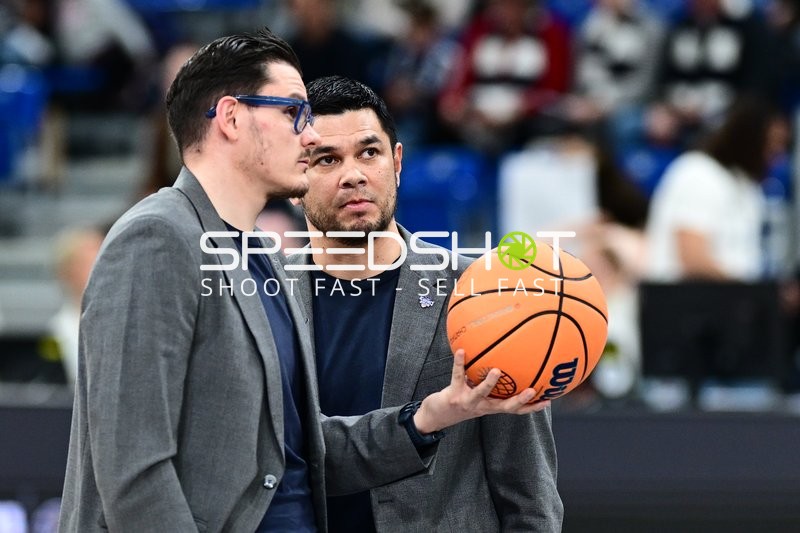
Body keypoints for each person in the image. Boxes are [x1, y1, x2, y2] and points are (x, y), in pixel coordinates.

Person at [58, 28, 547, 533]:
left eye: (368, 153)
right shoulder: (158, 237)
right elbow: (135, 472)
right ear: (230, 118)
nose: (309, 135)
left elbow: (302, 450)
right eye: (294, 112)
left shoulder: (259, 258)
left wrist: (431, 415)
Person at [288, 75, 563, 532]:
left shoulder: (483, 292)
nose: (353, 173)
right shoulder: (261, 297)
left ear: (397, 162)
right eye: (327, 159)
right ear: (295, 178)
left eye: (369, 152)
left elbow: (528, 492)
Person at [645, 95, 787, 281]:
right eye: (772, 145)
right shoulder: (699, 173)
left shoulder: (746, 186)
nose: (777, 156)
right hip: (686, 302)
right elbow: (693, 258)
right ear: (749, 141)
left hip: (729, 302)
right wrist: (752, 293)